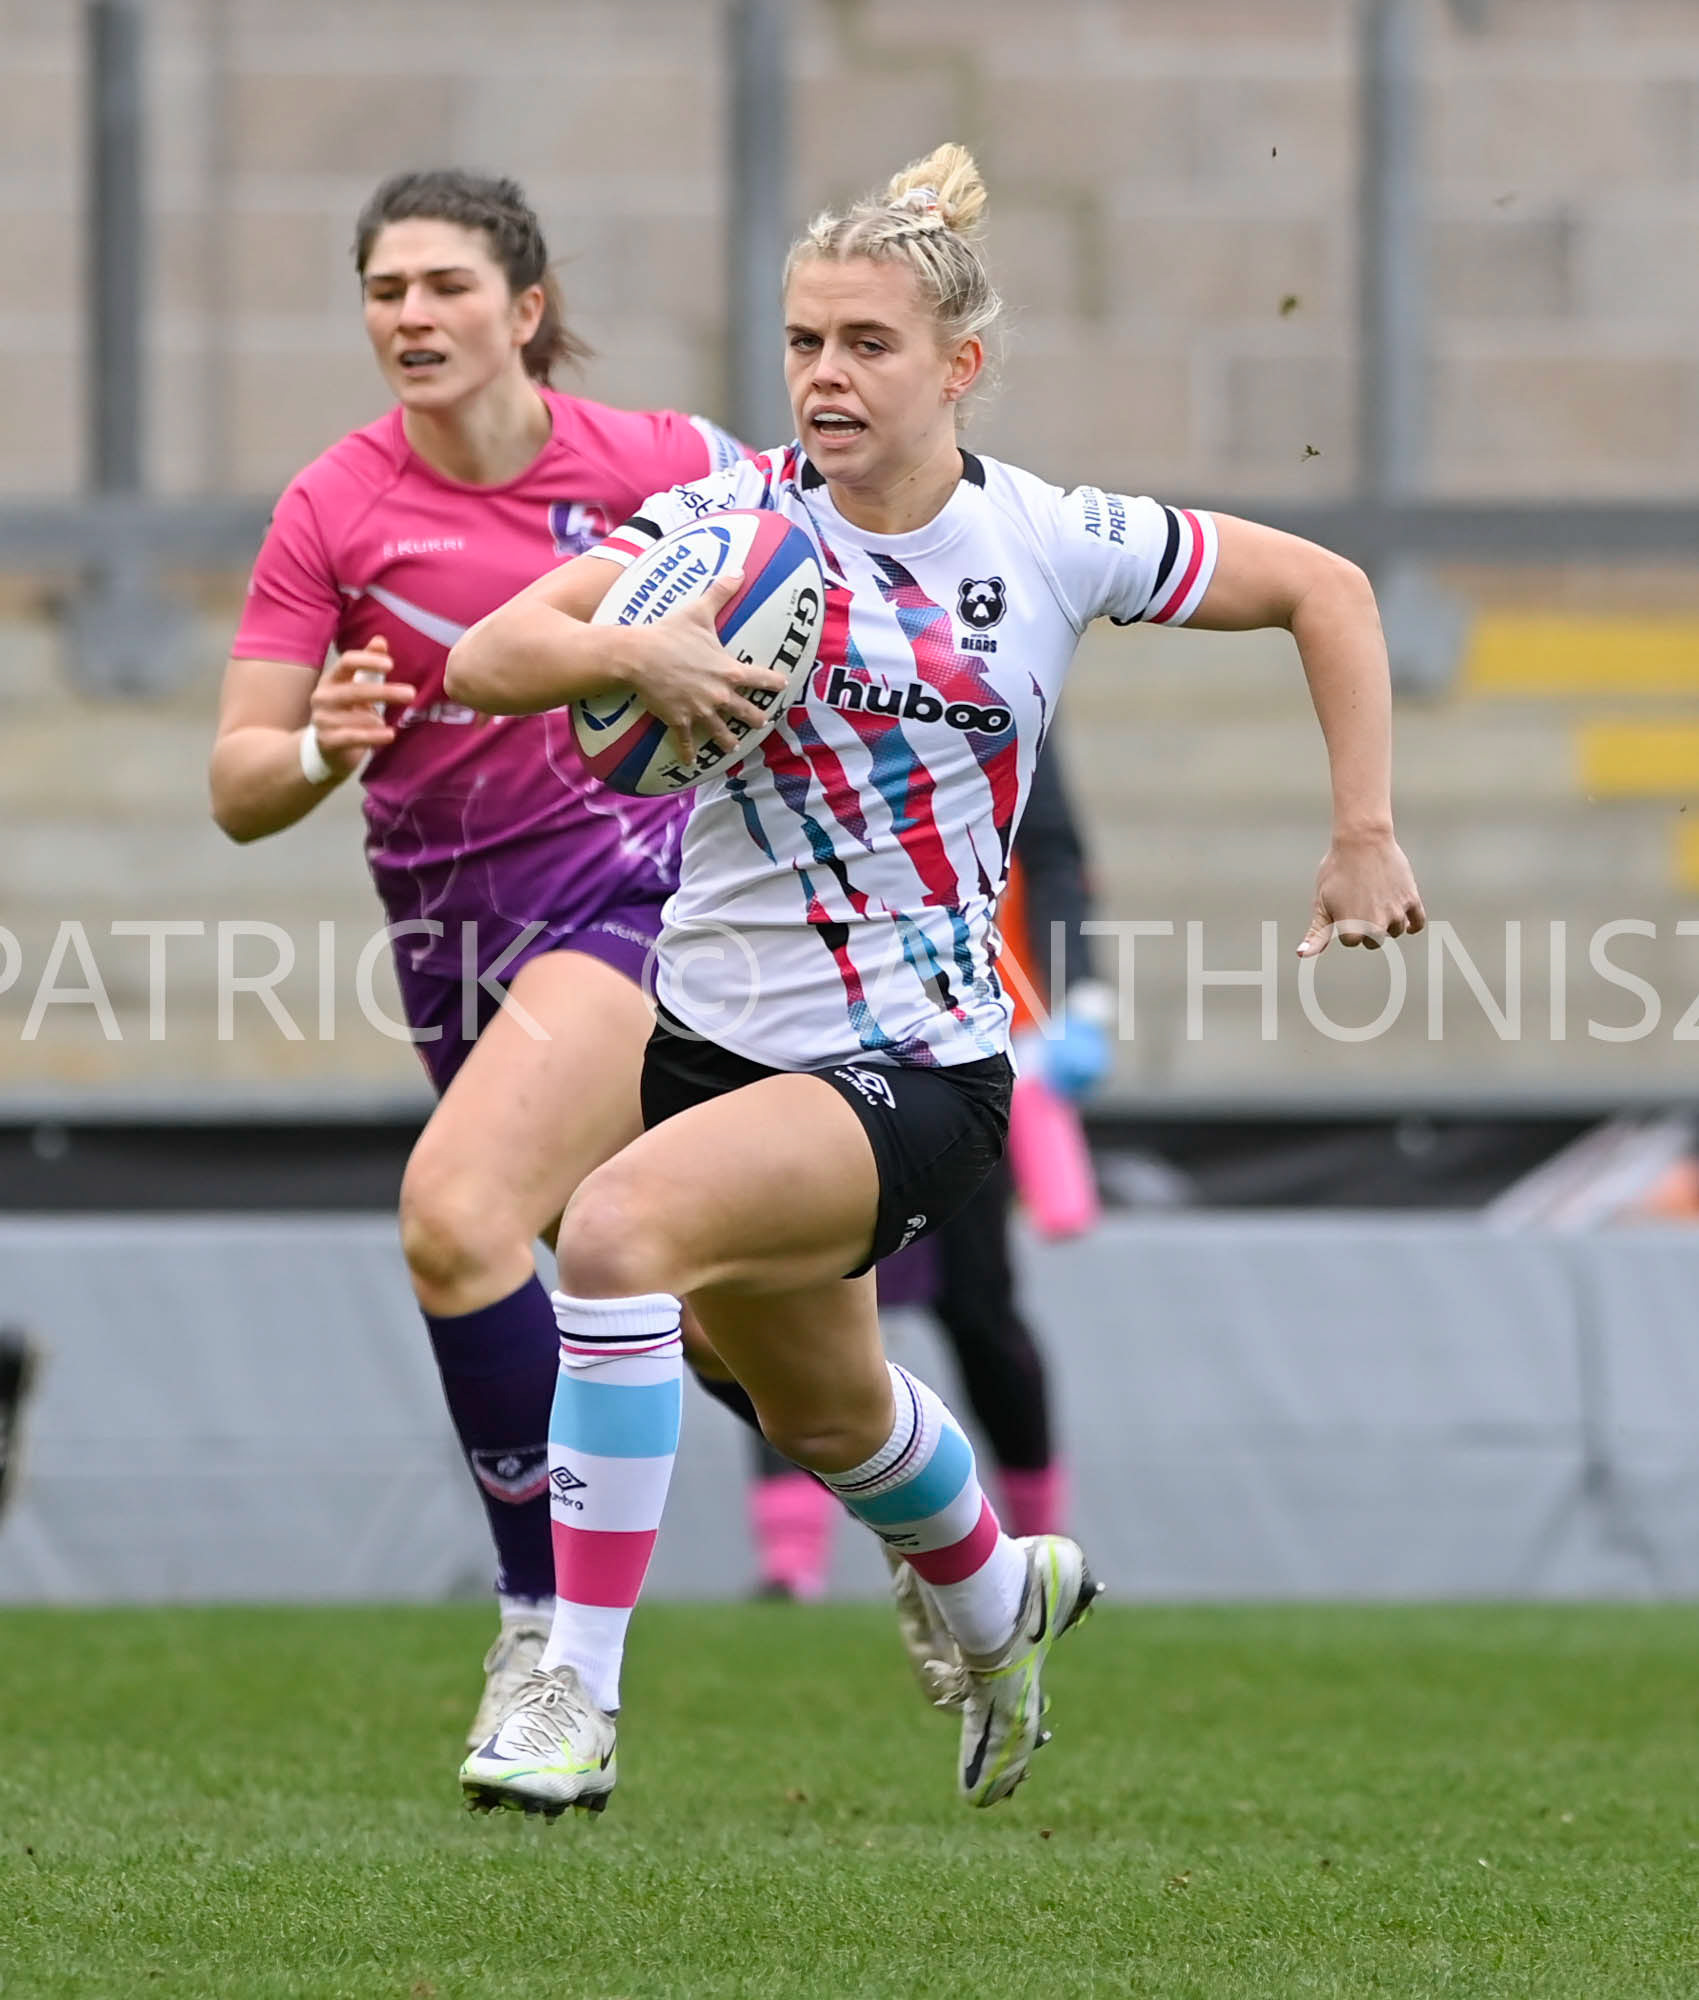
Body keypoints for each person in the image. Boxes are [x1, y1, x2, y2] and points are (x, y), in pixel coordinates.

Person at [446, 142, 1425, 1817]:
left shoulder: (1050, 538)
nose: (824, 376)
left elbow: (1322, 590)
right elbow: (487, 656)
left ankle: (570, 1693)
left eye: (866, 344)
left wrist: (1360, 831)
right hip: (711, 1051)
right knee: (823, 1413)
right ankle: (997, 1601)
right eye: (802, 341)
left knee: (609, 1232)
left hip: (915, 1067)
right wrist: (629, 647)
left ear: (958, 364)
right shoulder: (724, 525)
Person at [209, 169, 743, 1747]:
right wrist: (323, 746)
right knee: (731, 1338)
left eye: (444, 285)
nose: (411, 316)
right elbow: (238, 785)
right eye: (385, 291)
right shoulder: (333, 506)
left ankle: (543, 1649)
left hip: (631, 908)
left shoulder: (663, 464)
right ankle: (967, 1559)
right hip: (449, 941)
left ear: (524, 310)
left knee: (454, 1218)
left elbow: (813, 563)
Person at [737, 734, 1105, 1635]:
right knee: (783, 1294)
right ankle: (790, 1562)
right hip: (812, 1029)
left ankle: (1040, 1545)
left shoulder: (999, 673)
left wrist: (1082, 997)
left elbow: (1051, 852)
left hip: (961, 1040)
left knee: (977, 1306)